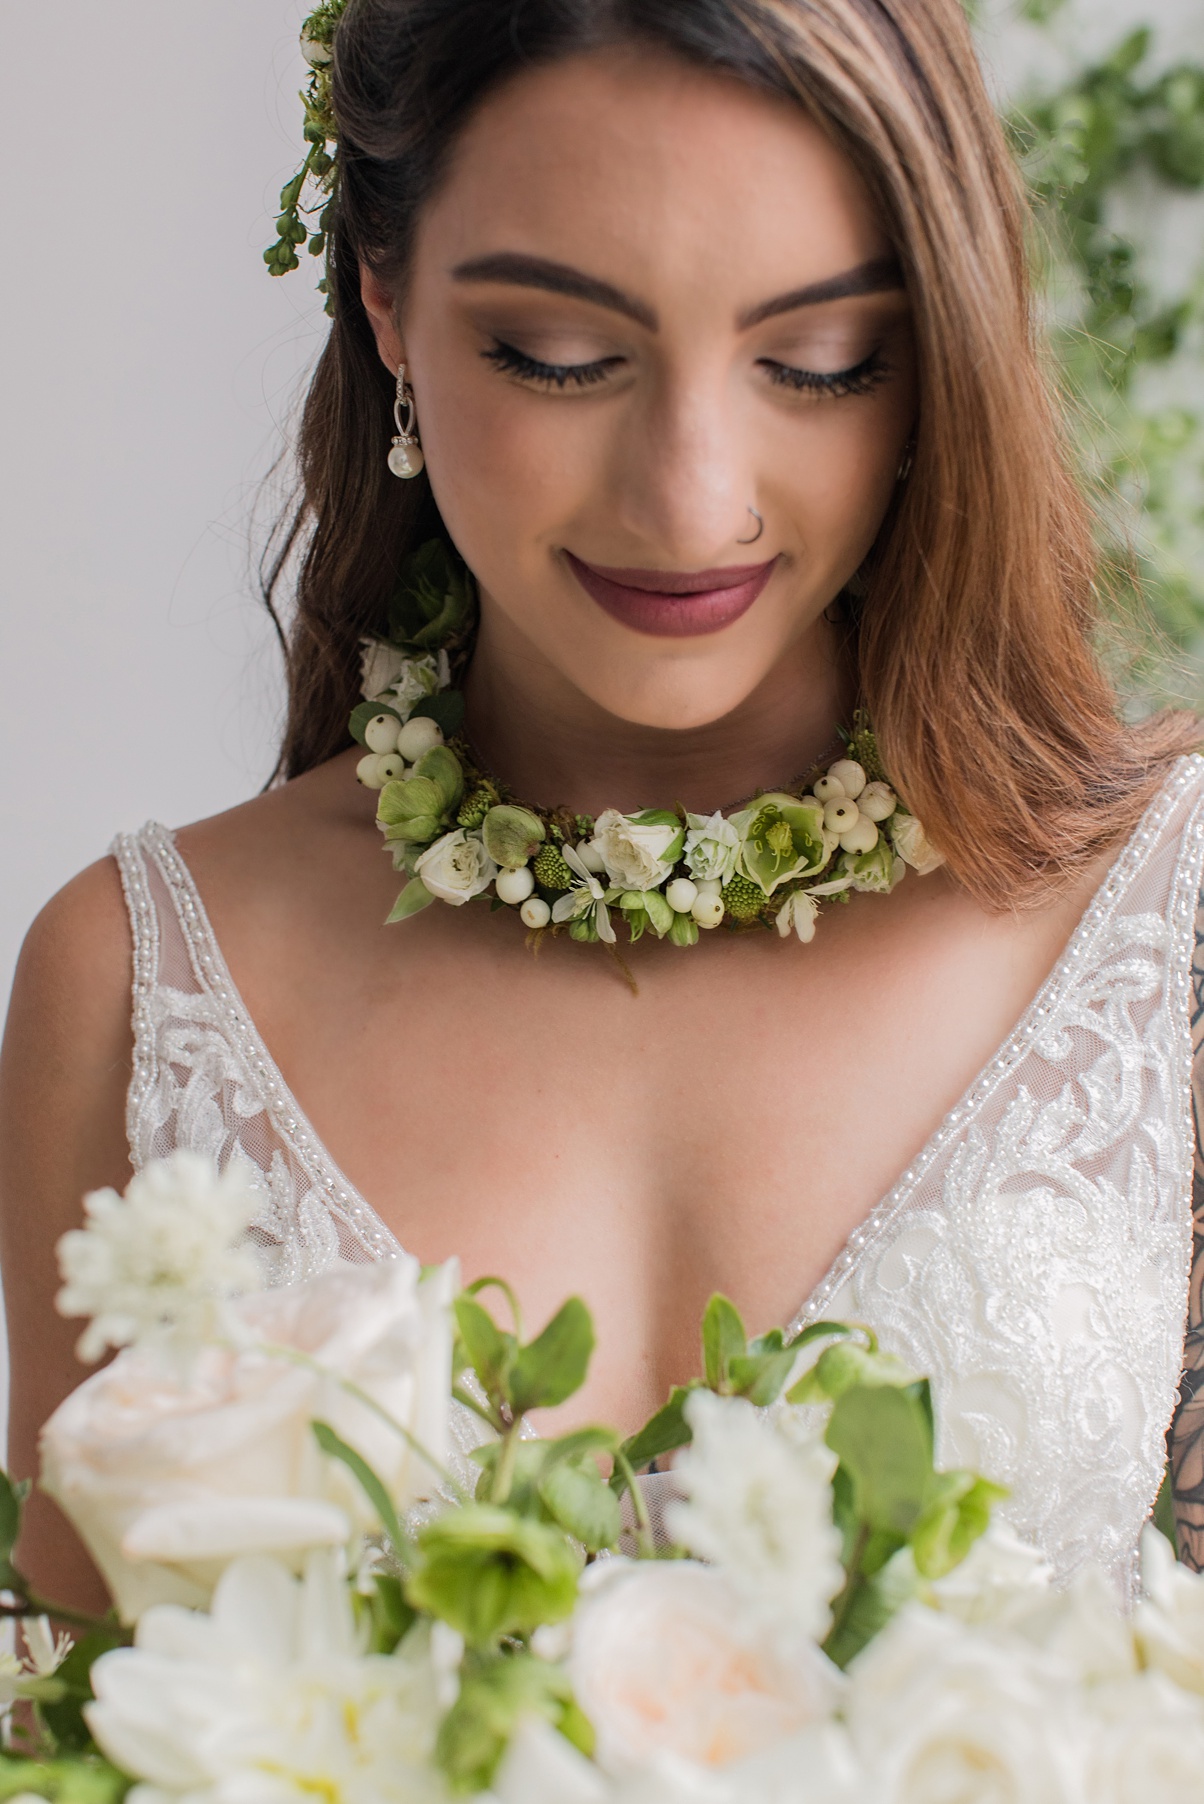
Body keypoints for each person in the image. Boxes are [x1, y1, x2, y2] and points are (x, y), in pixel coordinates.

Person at [1, 0, 1202, 1615]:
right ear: (386, 307)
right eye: (560, 358)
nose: (691, 497)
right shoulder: (139, 986)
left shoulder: (1163, 925)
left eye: (818, 361)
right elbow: (73, 1737)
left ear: (936, 356)